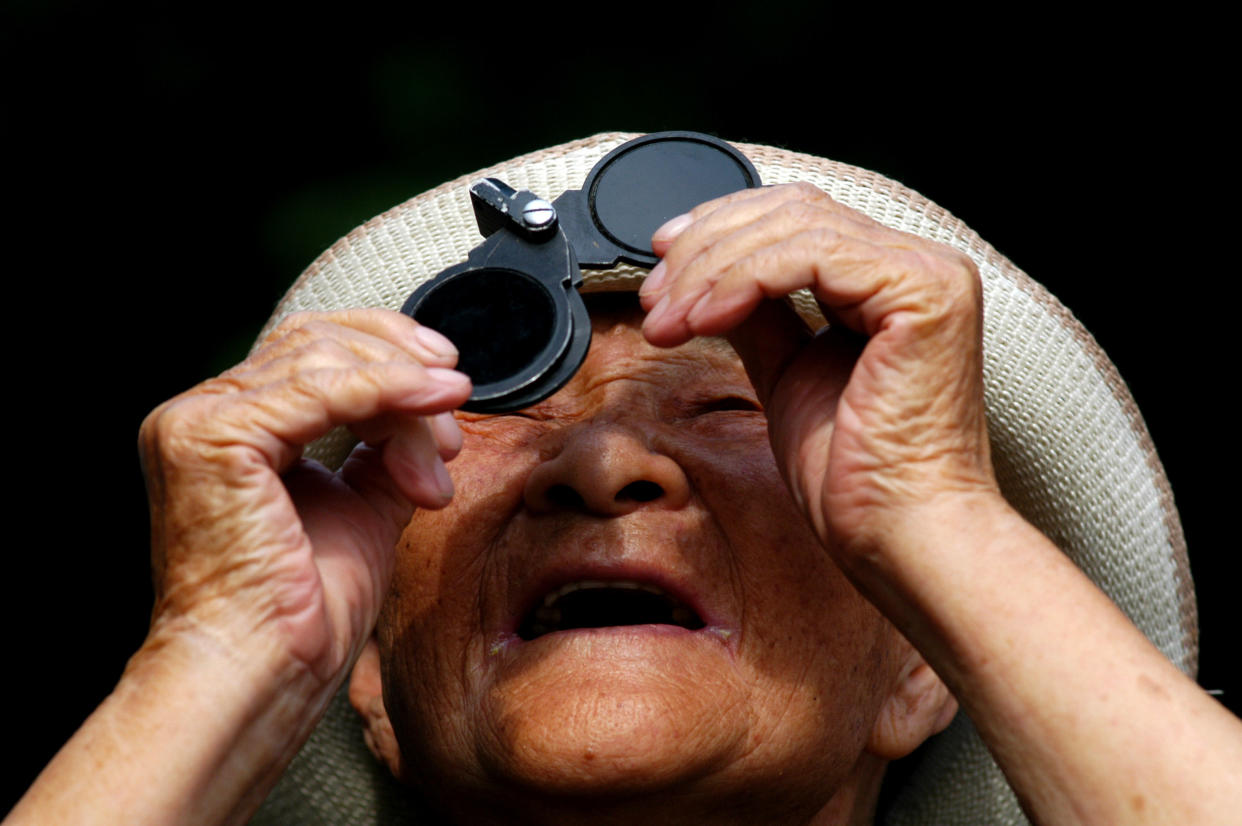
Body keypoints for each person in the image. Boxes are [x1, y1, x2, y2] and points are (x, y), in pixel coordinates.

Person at [6, 137, 1241, 825]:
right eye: (510, 413)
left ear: (926, 661)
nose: (600, 463)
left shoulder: (940, 578)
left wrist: (936, 520)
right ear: (369, 682)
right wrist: (223, 662)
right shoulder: (289, 665)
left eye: (725, 408)